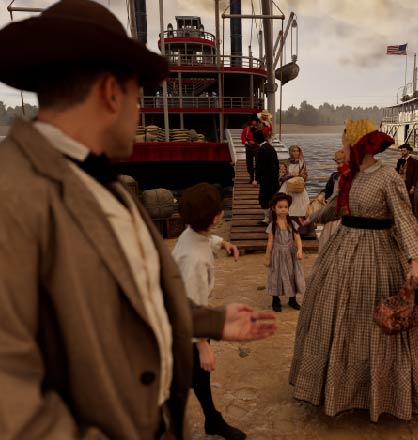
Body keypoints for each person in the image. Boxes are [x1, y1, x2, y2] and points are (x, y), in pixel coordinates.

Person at [0, 2, 276, 438]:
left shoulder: (109, 188)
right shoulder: (12, 199)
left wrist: (211, 322)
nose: (143, 105)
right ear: (112, 92)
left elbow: (140, 294)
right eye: (141, 90)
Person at [290, 119, 418, 423]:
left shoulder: (388, 178)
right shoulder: (350, 175)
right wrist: (310, 219)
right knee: (334, 318)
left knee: (378, 326)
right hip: (344, 249)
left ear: (359, 144)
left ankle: (382, 395)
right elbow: (335, 208)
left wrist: (414, 261)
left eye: (346, 142)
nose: (342, 147)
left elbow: (404, 219)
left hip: (380, 252)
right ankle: (339, 391)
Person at [172, 184, 245, 440]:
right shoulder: (195, 261)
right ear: (215, 217)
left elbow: (204, 238)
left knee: (199, 381)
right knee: (180, 385)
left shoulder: (190, 233)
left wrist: (223, 243)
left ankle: (212, 419)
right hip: (185, 329)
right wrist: (203, 346)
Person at [265, 193, 305, 313]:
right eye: (280, 207)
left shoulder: (292, 223)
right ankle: (275, 300)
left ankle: (292, 299)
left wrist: (299, 250)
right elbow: (270, 243)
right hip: (277, 254)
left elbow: (297, 238)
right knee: (276, 276)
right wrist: (267, 257)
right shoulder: (273, 225)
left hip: (290, 254)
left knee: (292, 275)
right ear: (274, 208)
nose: (283, 209)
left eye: (285, 207)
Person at [317, 149, 345, 251]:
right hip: (333, 217)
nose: (340, 165)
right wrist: (322, 194)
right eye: (338, 163)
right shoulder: (334, 176)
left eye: (343, 162)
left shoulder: (355, 177)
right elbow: (327, 191)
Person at [279, 145, 311, 218]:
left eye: (297, 151)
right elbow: (281, 178)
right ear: (290, 152)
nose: (296, 153)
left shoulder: (302, 163)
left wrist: (300, 176)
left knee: (303, 206)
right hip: (287, 186)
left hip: (298, 186)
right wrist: (290, 175)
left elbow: (305, 176)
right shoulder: (286, 162)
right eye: (294, 151)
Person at [255, 130, 280, 224]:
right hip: (273, 178)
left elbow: (259, 166)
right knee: (272, 197)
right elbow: (276, 163)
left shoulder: (261, 149)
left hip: (266, 179)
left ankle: (267, 219)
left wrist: (256, 179)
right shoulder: (270, 147)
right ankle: (273, 217)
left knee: (264, 198)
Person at [396, 143, 418, 213]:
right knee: (401, 203)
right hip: (400, 185)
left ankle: (412, 218)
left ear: (408, 151)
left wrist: (413, 187)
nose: (402, 152)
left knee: (410, 202)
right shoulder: (399, 161)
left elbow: (416, 175)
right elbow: (397, 172)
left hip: (409, 185)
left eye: (404, 151)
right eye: (401, 151)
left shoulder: (414, 161)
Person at [241, 113, 261, 184]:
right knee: (249, 164)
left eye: (256, 121)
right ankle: (251, 177)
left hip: (257, 148)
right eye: (254, 121)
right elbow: (242, 139)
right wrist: (248, 142)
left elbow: (261, 139)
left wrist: (255, 142)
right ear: (251, 121)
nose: (255, 122)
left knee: (258, 163)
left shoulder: (258, 129)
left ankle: (257, 178)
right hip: (249, 148)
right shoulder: (246, 130)